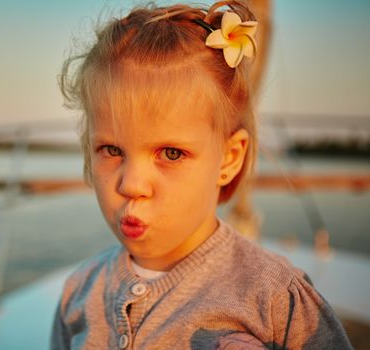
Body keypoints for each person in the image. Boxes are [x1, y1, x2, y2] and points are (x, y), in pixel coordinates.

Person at [51, 1, 352, 349]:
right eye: (112, 150)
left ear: (228, 158)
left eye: (171, 153)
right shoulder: (79, 292)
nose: (131, 184)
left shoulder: (275, 302)